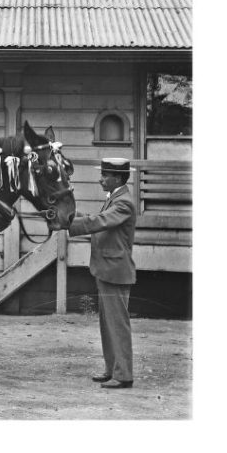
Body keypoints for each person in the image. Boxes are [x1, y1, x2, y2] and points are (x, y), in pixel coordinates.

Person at [67, 157, 137, 389]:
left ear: (117, 178)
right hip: (107, 268)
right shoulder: (115, 198)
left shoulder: (123, 202)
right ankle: (113, 369)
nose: (100, 179)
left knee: (117, 324)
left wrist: (69, 223)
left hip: (115, 270)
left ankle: (124, 374)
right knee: (107, 325)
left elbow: (101, 221)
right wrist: (70, 217)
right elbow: (98, 219)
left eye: (105, 175)